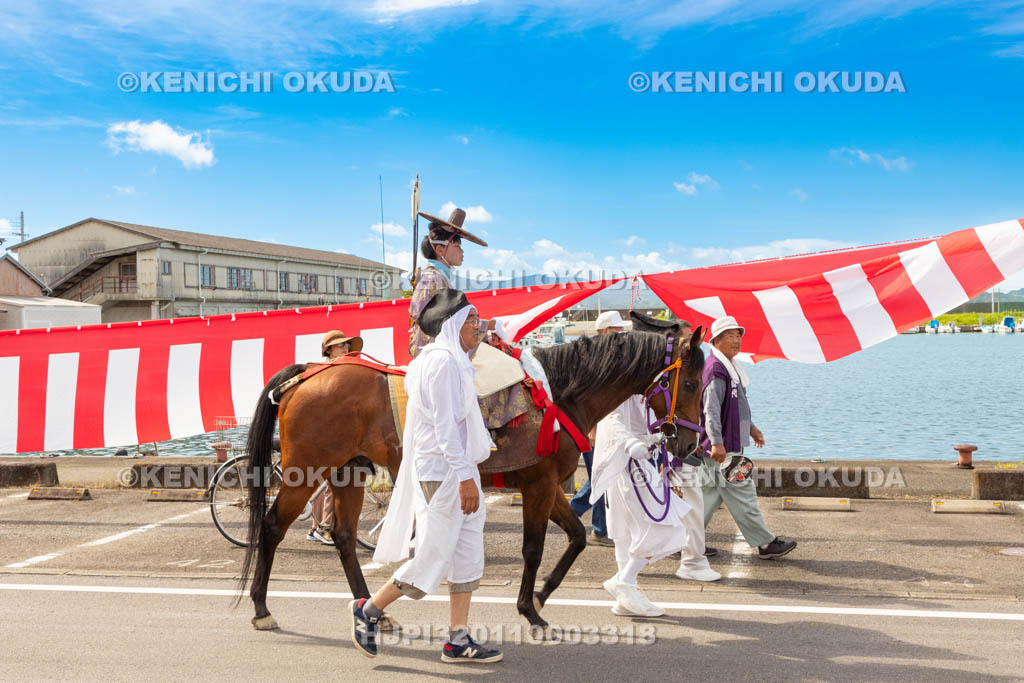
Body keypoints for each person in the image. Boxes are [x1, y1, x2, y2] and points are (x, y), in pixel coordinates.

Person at [351, 289, 502, 663]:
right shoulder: (442, 364)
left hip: (461, 471)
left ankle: (458, 639)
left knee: (467, 555)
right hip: (445, 474)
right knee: (433, 556)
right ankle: (368, 610)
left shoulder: (452, 360)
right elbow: (446, 428)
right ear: (452, 325)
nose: (478, 327)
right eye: (471, 320)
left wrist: (471, 467)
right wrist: (466, 478)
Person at [407, 207, 527, 429]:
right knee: (502, 366)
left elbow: (455, 320)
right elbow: (447, 325)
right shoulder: (433, 279)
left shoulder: (440, 277)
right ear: (441, 249)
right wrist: (487, 326)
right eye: (458, 245)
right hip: (434, 348)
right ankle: (480, 430)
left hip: (446, 344)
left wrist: (485, 329)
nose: (462, 252)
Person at [700, 316, 797, 560]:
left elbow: (737, 406)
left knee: (707, 497)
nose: (736, 340)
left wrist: (752, 429)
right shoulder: (716, 369)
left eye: (738, 335)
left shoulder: (729, 368)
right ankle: (766, 544)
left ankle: (683, 541)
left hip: (722, 446)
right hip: (723, 447)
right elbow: (710, 409)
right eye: (730, 336)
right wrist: (716, 442)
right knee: (743, 493)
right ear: (717, 341)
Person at [589, 394, 692, 617]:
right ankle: (624, 581)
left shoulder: (637, 383)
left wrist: (652, 438)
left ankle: (626, 597)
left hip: (628, 462)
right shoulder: (623, 379)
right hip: (628, 463)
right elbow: (611, 417)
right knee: (665, 525)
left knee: (625, 530)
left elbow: (633, 423)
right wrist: (631, 442)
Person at [568, 310, 629, 547]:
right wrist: (591, 428)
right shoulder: (592, 359)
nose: (621, 334)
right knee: (601, 474)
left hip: (601, 424)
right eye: (617, 330)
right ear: (605, 331)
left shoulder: (607, 356)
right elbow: (587, 396)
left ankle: (576, 513)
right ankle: (598, 528)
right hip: (592, 425)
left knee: (600, 474)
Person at [306, 331, 363, 546]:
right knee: (334, 482)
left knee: (322, 482)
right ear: (329, 350)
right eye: (341, 346)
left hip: (324, 433)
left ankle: (316, 528)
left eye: (347, 346)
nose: (346, 349)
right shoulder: (327, 371)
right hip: (324, 433)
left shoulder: (330, 371)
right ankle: (326, 528)